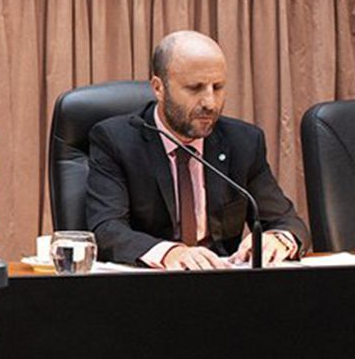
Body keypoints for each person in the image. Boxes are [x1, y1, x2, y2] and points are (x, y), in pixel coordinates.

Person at [86, 30, 309, 270]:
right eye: (195, 88)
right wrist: (170, 253)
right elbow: (106, 229)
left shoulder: (243, 142)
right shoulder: (116, 140)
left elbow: (286, 221)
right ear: (159, 88)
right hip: (148, 287)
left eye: (218, 87)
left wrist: (277, 239)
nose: (210, 103)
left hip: (224, 287)